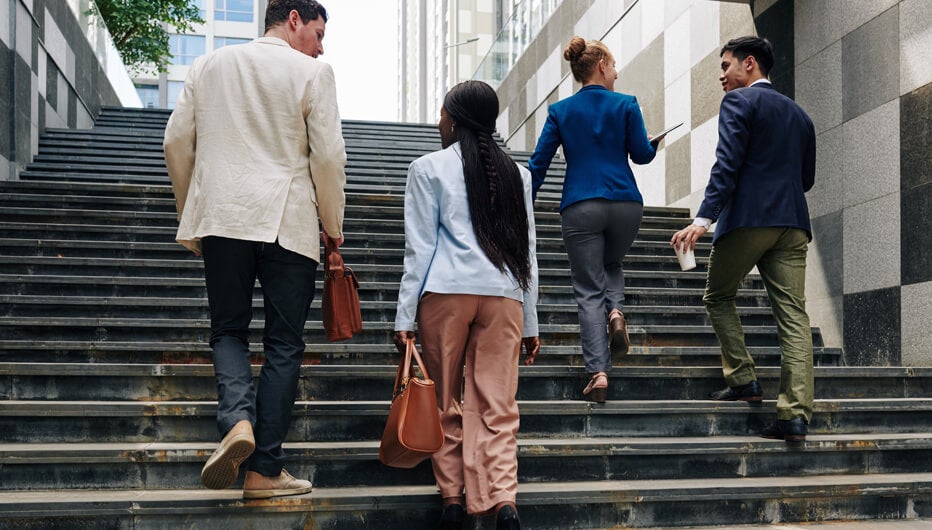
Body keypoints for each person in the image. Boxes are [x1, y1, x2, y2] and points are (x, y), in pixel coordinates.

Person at [163, 0, 346, 497]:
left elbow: (176, 141)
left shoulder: (208, 65)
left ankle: (237, 421)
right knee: (284, 344)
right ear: (293, 19)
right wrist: (333, 226)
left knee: (228, 331)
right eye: (318, 30)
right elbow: (328, 157)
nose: (321, 44)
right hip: (288, 222)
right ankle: (264, 470)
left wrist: (194, 208)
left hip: (222, 219)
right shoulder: (313, 72)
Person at [393, 80, 540, 530]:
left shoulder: (427, 168)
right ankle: (503, 502)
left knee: (444, 401)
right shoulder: (519, 173)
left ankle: (454, 500)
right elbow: (529, 251)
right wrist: (531, 320)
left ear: (453, 119)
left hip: (446, 293)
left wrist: (405, 317)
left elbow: (419, 250)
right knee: (498, 406)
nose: (439, 120)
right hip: (504, 297)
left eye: (441, 113)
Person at [670, 36, 816, 443]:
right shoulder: (800, 115)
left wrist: (702, 220)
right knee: (794, 317)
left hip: (749, 219)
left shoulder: (738, 103)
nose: (721, 76)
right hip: (792, 224)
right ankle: (794, 416)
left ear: (749, 64)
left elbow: (727, 164)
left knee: (718, 296)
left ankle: (744, 379)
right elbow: (807, 179)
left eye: (725, 66)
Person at [528, 36, 658, 403]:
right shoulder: (627, 104)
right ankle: (616, 310)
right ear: (601, 64)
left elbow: (538, 165)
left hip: (580, 204)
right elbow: (642, 155)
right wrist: (653, 143)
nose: (616, 73)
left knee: (588, 289)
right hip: (625, 203)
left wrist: (523, 205)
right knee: (612, 262)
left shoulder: (560, 112)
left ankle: (598, 373)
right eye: (614, 65)